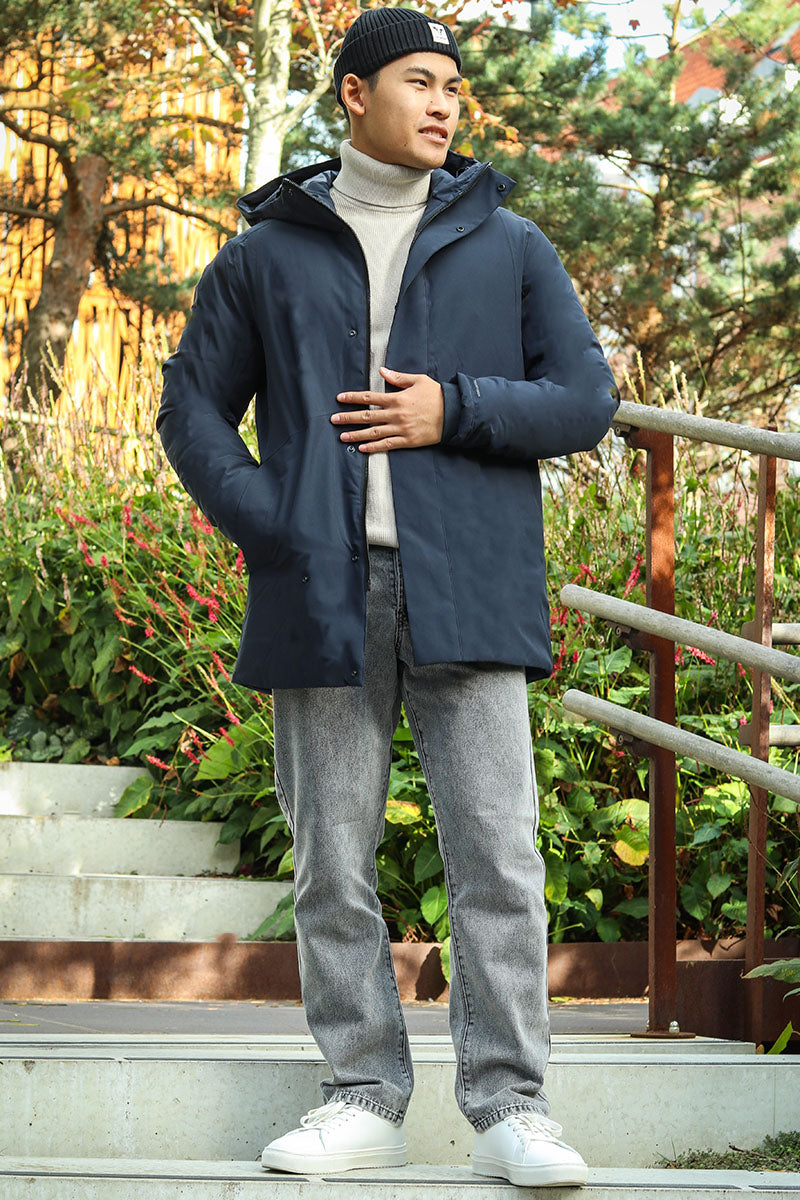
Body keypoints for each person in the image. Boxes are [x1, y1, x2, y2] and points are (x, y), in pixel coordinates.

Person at [157, 5, 620, 1187]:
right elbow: (192, 408)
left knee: (498, 858)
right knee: (331, 863)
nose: (444, 105)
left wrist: (450, 407)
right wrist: (270, 520)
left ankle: (511, 1110)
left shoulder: (507, 245)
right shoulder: (263, 255)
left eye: (453, 88)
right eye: (419, 82)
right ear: (354, 94)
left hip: (470, 584)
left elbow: (582, 398)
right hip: (320, 589)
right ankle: (360, 1095)